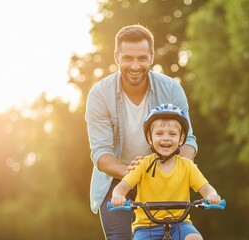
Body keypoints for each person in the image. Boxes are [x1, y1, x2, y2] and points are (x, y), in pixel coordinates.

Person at [85, 24, 198, 240]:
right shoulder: (99, 95)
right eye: (127, 58)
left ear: (152, 56)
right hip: (117, 180)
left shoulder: (171, 89)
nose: (135, 66)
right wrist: (135, 173)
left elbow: (188, 141)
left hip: (163, 177)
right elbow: (101, 154)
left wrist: (178, 170)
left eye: (142, 58)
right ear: (117, 56)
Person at [111, 104, 221, 240]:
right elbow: (121, 188)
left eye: (173, 134)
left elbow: (205, 188)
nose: (166, 138)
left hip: (180, 224)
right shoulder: (142, 164)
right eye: (159, 134)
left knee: (194, 238)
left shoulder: (187, 166)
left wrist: (212, 195)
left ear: (181, 139)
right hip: (146, 226)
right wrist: (118, 196)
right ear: (150, 138)